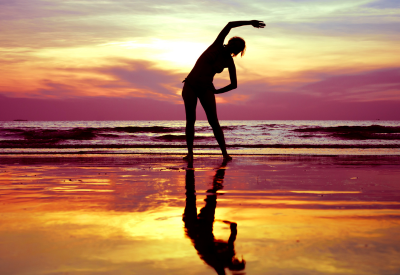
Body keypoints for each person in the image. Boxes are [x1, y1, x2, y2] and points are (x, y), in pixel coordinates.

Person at [182, 20, 265, 162]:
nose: (233, 46)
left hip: (206, 89)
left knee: (213, 121)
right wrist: (250, 22)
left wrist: (217, 92)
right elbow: (229, 25)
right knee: (191, 120)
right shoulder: (216, 45)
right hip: (190, 85)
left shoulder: (229, 62)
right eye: (233, 43)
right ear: (229, 41)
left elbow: (234, 84)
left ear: (237, 52)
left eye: (236, 47)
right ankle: (190, 153)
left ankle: (225, 154)